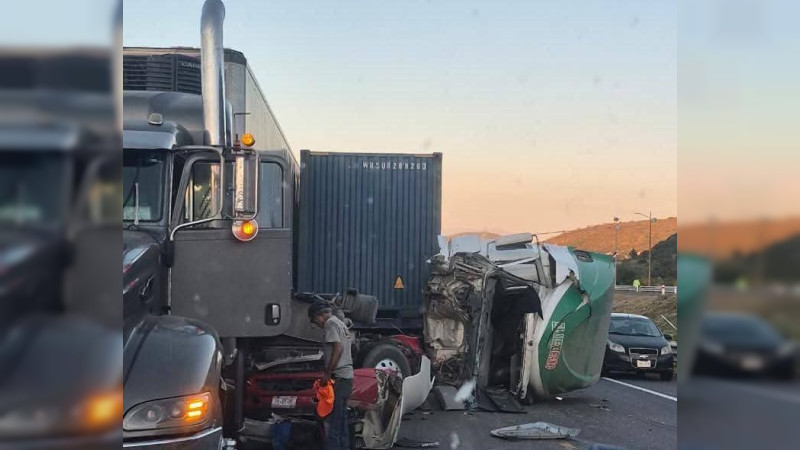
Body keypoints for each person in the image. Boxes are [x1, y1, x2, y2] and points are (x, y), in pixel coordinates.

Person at [308, 302, 353, 450]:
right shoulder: (340, 323)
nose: (318, 325)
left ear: (320, 315)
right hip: (347, 377)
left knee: (332, 422)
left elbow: (338, 348)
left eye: (315, 321)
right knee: (341, 421)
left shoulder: (330, 324)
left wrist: (327, 373)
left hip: (339, 377)